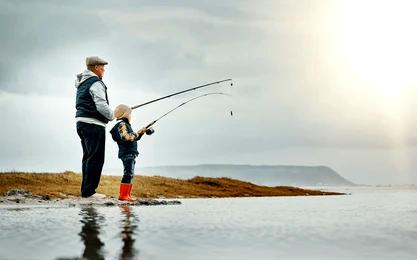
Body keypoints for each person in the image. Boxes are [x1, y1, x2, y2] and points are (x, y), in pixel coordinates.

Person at [75, 56, 114, 198]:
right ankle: (89, 192)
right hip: (93, 124)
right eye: (102, 66)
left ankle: (86, 190)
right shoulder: (96, 82)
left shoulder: (82, 82)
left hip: (81, 123)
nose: (104, 69)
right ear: (96, 67)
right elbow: (101, 105)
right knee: (96, 158)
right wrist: (112, 115)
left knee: (88, 157)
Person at [110, 104, 153, 201]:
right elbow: (126, 137)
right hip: (127, 153)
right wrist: (137, 133)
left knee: (130, 174)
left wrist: (141, 132)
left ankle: (127, 195)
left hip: (130, 153)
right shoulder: (121, 124)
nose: (131, 116)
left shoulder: (125, 125)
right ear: (124, 114)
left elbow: (133, 138)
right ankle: (123, 196)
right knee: (128, 173)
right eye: (129, 114)